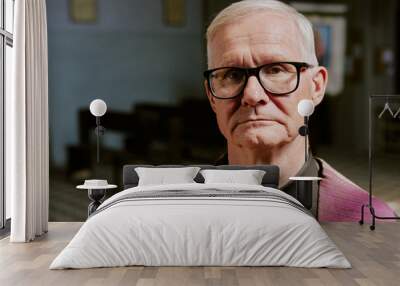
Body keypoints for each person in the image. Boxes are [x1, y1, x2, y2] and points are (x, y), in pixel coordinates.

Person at [203, 0, 396, 221]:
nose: (252, 95)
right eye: (231, 74)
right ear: (211, 95)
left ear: (316, 86)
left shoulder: (368, 221)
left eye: (276, 70)